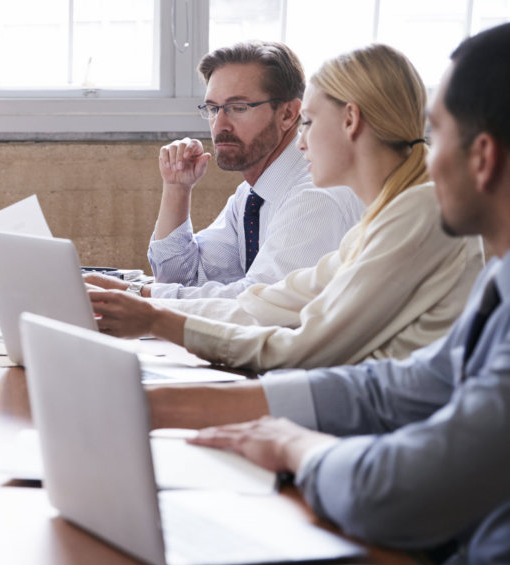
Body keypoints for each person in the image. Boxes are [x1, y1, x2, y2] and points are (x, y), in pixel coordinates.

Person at [149, 23, 510, 565]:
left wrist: (297, 446)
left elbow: (316, 350)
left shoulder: (409, 210)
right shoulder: (491, 269)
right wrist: (166, 393)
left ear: (484, 157)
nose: (425, 157)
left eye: (435, 135)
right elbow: (399, 385)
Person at [88, 44, 484, 371]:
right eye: (213, 108)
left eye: (308, 122)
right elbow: (267, 301)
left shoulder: (409, 214)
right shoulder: (389, 215)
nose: (300, 142)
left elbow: (299, 343)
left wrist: (154, 315)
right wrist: (144, 300)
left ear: (350, 121)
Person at [88, 41, 364, 299]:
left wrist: (136, 293)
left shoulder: (315, 194)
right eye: (212, 108)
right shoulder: (252, 196)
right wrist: (176, 188)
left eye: (238, 107)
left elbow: (263, 304)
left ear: (289, 114)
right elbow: (182, 278)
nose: (219, 125)